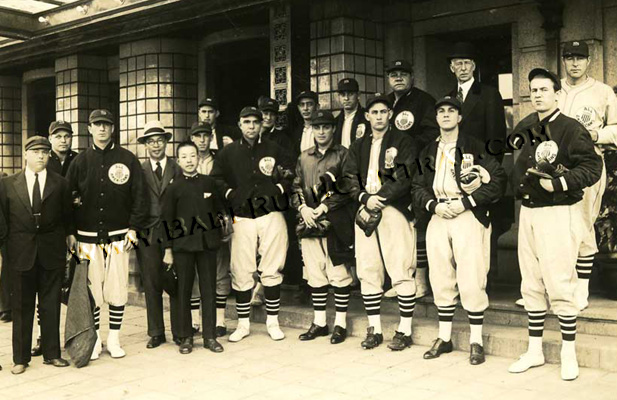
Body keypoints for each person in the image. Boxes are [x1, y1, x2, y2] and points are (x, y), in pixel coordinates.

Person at [508, 68, 602, 381]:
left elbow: (592, 167)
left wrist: (560, 183)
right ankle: (535, 350)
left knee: (560, 283)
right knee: (531, 283)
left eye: (544, 90)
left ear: (556, 93)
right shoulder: (528, 127)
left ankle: (568, 352)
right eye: (533, 90)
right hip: (530, 213)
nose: (537, 95)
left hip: (558, 212)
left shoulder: (570, 128)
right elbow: (517, 164)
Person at [412, 96, 506, 365]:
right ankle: (444, 337)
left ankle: (476, 340)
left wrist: (467, 202)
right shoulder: (428, 150)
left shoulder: (474, 146)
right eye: (440, 111)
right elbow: (417, 186)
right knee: (441, 277)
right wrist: (432, 206)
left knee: (471, 276)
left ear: (460, 117)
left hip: (467, 214)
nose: (445, 115)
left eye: (451, 111)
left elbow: (498, 180)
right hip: (439, 214)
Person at [66, 109, 148, 360]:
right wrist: (70, 232)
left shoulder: (127, 159)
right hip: (86, 236)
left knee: (117, 287)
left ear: (113, 128)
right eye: (97, 124)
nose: (102, 129)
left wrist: (133, 228)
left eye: (106, 124)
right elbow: (67, 198)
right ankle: (95, 339)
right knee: (92, 290)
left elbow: (139, 196)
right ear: (89, 128)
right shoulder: (79, 161)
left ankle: (114, 338)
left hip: (118, 235)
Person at [211, 106, 294, 342]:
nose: (251, 126)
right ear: (239, 125)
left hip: (271, 214)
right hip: (242, 216)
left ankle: (273, 322)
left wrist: (278, 189)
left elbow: (289, 173)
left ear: (261, 124)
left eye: (255, 122)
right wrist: (229, 195)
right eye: (246, 121)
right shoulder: (228, 152)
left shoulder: (274, 148)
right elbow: (217, 178)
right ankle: (243, 324)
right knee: (241, 269)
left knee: (272, 267)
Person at [342, 93, 418, 351]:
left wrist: (381, 197)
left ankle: (404, 329)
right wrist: (364, 197)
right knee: (368, 269)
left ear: (390, 115)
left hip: (392, 209)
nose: (378, 116)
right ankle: (374, 328)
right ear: (367, 116)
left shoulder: (403, 141)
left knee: (400, 267)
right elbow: (348, 176)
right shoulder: (358, 145)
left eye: (383, 112)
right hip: (365, 211)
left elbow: (405, 174)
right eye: (374, 112)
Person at [0, 136, 73, 374]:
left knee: (50, 304)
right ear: (26, 155)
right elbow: (3, 222)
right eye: (35, 152)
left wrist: (68, 240)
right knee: (21, 307)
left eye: (44, 152)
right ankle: (20, 358)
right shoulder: (8, 184)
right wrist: (6, 252)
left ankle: (52, 354)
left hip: (51, 252)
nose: (41, 156)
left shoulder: (60, 183)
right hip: (20, 254)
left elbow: (66, 217)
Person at [557, 40, 617, 310]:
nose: (574, 63)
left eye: (579, 58)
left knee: (582, 223)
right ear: (564, 61)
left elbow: (616, 129)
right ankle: (558, 287)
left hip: (589, 163)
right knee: (556, 225)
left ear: (589, 61)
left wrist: (594, 134)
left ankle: (581, 289)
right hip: (555, 165)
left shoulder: (603, 92)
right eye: (569, 57)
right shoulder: (554, 89)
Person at [292, 110, 354, 344]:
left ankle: (340, 323)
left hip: (334, 220)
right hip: (309, 221)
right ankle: (319, 322)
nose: (321, 132)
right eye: (317, 127)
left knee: (337, 272)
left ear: (333, 129)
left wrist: (325, 206)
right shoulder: (304, 156)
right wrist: (303, 209)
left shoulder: (343, 154)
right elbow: (296, 186)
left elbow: (349, 185)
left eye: (326, 127)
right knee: (315, 273)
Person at [162, 140, 226, 354]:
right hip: (183, 247)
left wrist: (219, 231)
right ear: (178, 161)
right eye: (184, 157)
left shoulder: (209, 183)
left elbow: (220, 210)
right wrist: (168, 250)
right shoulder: (173, 188)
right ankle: (186, 336)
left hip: (207, 245)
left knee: (209, 289)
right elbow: (167, 221)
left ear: (198, 158)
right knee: (184, 291)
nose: (189, 160)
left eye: (193, 156)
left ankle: (209, 336)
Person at [386, 59, 439, 299]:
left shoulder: (423, 100)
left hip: (416, 169)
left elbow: (431, 132)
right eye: (393, 74)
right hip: (389, 172)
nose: (398, 78)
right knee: (394, 226)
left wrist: (406, 149)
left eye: (403, 74)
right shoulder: (385, 103)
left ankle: (421, 280)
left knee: (417, 224)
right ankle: (398, 279)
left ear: (412, 77)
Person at [31, 120, 80, 357]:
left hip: (75, 230)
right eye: (58, 136)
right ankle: (44, 336)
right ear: (51, 139)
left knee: (79, 285)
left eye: (67, 136)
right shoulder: (43, 162)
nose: (63, 140)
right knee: (47, 288)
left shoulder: (78, 160)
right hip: (49, 235)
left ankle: (82, 333)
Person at [135, 120, 180, 349]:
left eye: (160, 140)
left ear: (166, 142)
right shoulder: (139, 169)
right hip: (147, 232)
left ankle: (180, 330)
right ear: (145, 145)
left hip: (175, 231)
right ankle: (156, 332)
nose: (156, 145)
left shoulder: (177, 166)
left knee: (176, 280)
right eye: (151, 141)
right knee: (151, 281)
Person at [190, 121, 231, 337]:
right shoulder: (186, 162)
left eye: (205, 135)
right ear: (192, 139)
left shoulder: (220, 160)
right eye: (198, 136)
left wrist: (225, 221)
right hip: (192, 224)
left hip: (216, 220)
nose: (202, 140)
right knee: (195, 270)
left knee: (220, 270)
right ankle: (195, 320)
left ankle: (220, 320)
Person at [334, 78, 368, 148]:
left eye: (350, 94)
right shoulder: (336, 121)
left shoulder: (367, 118)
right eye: (343, 95)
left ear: (358, 95)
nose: (346, 98)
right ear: (339, 97)